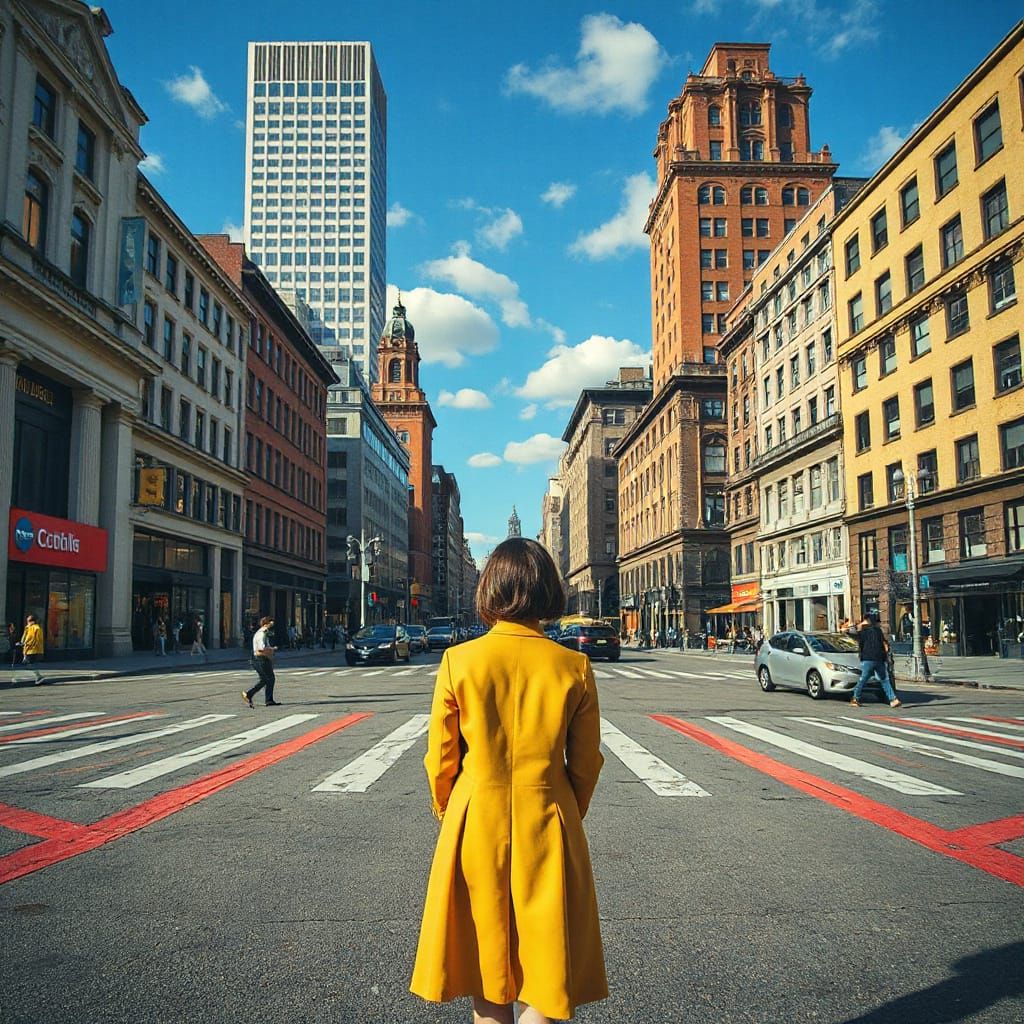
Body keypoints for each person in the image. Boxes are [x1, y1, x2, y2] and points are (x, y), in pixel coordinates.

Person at [410, 537, 607, 1024]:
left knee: (488, 967)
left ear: (489, 589)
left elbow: (440, 758)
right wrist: (566, 808)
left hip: (477, 816)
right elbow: (585, 762)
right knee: (550, 963)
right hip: (551, 815)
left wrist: (448, 809)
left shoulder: (460, 661)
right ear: (547, 591)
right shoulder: (573, 666)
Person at [851, 613, 901, 708]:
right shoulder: (878, 631)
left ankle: (855, 698)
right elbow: (884, 644)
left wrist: (858, 626)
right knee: (884, 680)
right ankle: (893, 699)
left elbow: (853, 635)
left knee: (863, 679)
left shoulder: (863, 632)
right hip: (879, 658)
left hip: (868, 658)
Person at [243, 616, 280, 708]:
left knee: (265, 679)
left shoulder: (263, 633)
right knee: (269, 678)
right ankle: (267, 699)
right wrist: (272, 649)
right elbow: (261, 649)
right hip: (260, 659)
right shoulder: (262, 634)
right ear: (266, 624)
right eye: (271, 623)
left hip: (259, 659)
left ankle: (251, 695)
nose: (272, 625)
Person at [18, 614, 45, 686]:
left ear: (33, 621)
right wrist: (22, 643)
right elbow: (25, 637)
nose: (27, 622)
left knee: (29, 664)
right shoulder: (28, 628)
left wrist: (27, 644)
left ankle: (39, 676)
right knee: (27, 664)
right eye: (27, 621)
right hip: (27, 649)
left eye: (29, 621)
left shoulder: (37, 628)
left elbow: (37, 640)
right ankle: (38, 676)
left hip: (33, 649)